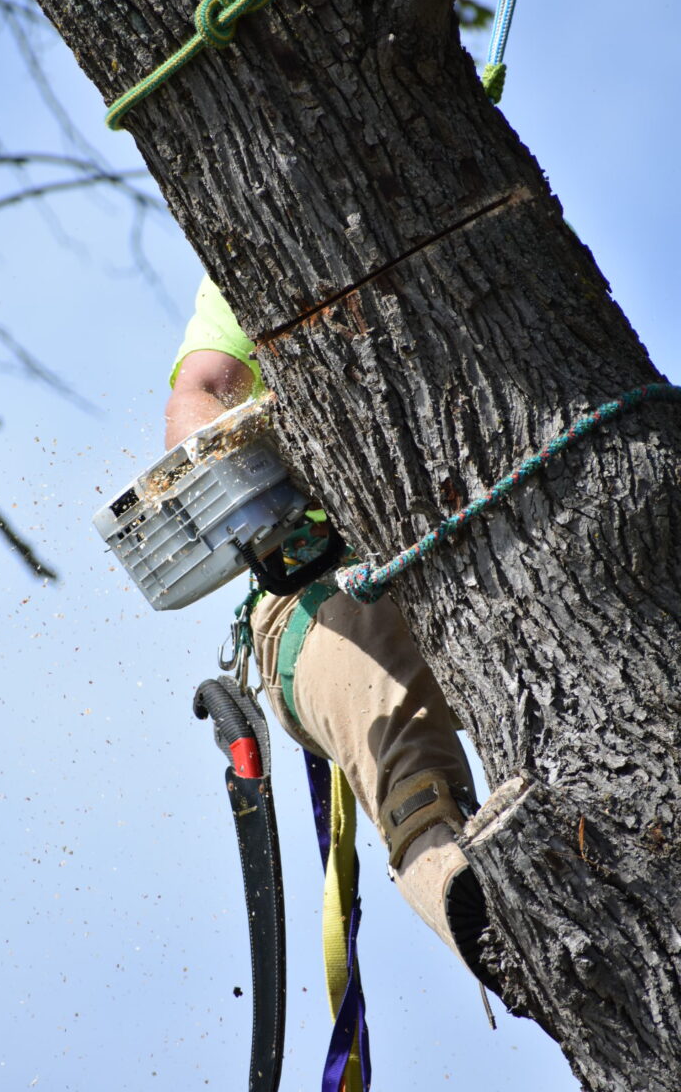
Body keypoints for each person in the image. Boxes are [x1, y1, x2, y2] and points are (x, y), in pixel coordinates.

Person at [165, 276, 494, 990]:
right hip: (315, 589)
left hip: (469, 545)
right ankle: (475, 903)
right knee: (403, 750)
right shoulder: (245, 273)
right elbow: (200, 390)